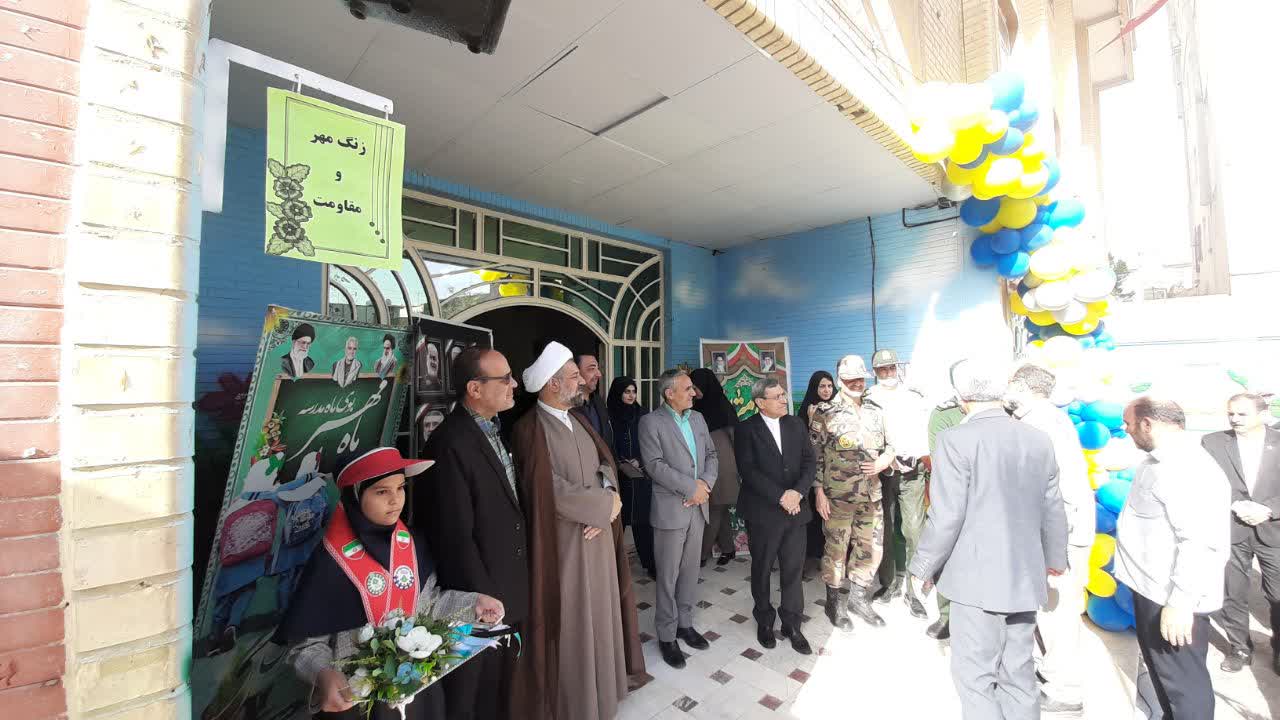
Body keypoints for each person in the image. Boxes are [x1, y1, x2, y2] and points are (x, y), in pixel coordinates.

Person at [276, 447, 505, 719]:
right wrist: (323, 672)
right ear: (355, 494)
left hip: (419, 692)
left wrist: (473, 604)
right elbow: (306, 646)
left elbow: (429, 605)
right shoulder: (330, 563)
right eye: (382, 491)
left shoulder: (412, 545)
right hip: (358, 704)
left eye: (400, 488)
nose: (395, 500)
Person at [909, 358, 1067, 720]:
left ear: (961, 396)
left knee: (976, 678)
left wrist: (922, 566)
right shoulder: (1037, 438)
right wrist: (1055, 559)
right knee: (1019, 674)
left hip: (976, 583)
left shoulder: (955, 439)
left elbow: (947, 514)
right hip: (1025, 577)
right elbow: (1053, 507)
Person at [509, 342, 644, 719]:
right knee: (575, 623)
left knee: (602, 616)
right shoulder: (529, 429)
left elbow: (605, 465)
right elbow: (545, 488)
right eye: (573, 376)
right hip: (566, 545)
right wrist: (600, 508)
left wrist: (608, 500)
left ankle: (608, 690)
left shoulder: (580, 419)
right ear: (553, 384)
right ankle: (581, 703)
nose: (582, 382)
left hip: (597, 536)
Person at [418, 348, 528, 720]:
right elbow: (455, 536)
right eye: (505, 378)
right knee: (473, 693)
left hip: (506, 586)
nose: (514, 384)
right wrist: (481, 599)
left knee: (500, 687)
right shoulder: (450, 443)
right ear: (474, 389)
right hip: (480, 599)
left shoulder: (493, 430)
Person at [1115, 397, 1230, 719]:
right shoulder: (1159, 462)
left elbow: (1200, 542)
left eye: (1128, 423)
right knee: (1166, 679)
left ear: (1147, 424)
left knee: (1183, 686)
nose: (1125, 429)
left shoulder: (1185, 467)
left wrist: (1180, 603)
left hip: (1173, 598)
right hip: (1155, 592)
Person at [1003, 364, 1094, 713]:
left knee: (1057, 612)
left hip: (1058, 535)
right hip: (1054, 531)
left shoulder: (1042, 425)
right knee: (1048, 611)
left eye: (1009, 384)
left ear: (1020, 386)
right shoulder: (1044, 418)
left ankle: (1065, 692)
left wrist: (1056, 549)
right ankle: (1051, 671)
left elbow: (1055, 490)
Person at [639, 369, 718, 669]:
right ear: (669, 393)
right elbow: (654, 465)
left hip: (698, 506)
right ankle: (666, 634)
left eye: (693, 388)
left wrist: (705, 485)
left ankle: (685, 623)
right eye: (687, 389)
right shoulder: (651, 422)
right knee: (668, 575)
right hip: (671, 508)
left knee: (689, 571)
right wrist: (690, 488)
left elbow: (711, 455)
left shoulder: (698, 419)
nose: (693, 393)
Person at [734, 376, 817, 654]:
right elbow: (748, 470)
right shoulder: (746, 429)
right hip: (764, 513)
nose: (784, 399)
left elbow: (809, 462)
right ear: (760, 402)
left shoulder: (796, 424)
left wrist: (798, 492)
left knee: (793, 569)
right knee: (762, 567)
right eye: (778, 396)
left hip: (796, 510)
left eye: (784, 394)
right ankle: (764, 619)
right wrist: (782, 496)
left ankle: (792, 623)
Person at [811, 354, 894, 629]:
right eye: (851, 380)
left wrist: (884, 460)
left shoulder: (876, 410)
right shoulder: (825, 413)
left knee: (870, 547)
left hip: (871, 494)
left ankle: (859, 599)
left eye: (860, 379)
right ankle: (834, 603)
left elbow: (891, 446)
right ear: (840, 380)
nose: (857, 384)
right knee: (836, 549)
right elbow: (814, 456)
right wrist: (818, 491)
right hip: (838, 497)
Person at [1203, 393, 1280, 675]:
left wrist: (1269, 510)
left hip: (1273, 531)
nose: (1235, 419)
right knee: (1232, 592)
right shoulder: (1212, 442)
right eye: (1231, 414)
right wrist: (1236, 505)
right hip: (1231, 528)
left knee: (1277, 594)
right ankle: (1239, 648)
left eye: (1242, 414)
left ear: (1262, 414)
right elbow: (1205, 482)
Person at [864, 349, 930, 619]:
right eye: (882, 369)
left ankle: (914, 593)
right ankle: (888, 583)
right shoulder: (868, 399)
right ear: (875, 372)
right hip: (883, 474)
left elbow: (924, 433)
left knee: (914, 531)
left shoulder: (914, 396)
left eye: (891, 367)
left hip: (912, 472)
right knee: (885, 530)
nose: (888, 373)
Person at [922, 388, 966, 640]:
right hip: (953, 497)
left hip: (991, 501)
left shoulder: (1005, 413)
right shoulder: (945, 414)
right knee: (947, 555)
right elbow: (941, 461)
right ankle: (947, 615)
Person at [691, 368, 741, 567]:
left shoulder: (722, 406)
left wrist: (740, 468)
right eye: (691, 388)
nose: (694, 392)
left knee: (714, 508)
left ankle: (701, 555)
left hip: (724, 464)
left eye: (696, 388)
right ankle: (728, 549)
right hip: (704, 463)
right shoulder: (696, 408)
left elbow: (736, 438)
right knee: (719, 507)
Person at [607, 376, 654, 578]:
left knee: (644, 522)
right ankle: (613, 569)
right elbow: (605, 443)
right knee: (618, 523)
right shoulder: (608, 415)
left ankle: (650, 564)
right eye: (627, 391)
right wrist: (618, 462)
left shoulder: (642, 414)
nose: (631, 395)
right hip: (618, 478)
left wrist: (639, 460)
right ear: (618, 393)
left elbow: (651, 442)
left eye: (633, 391)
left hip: (641, 476)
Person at [798, 371, 836, 574]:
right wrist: (812, 420)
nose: (826, 390)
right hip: (814, 472)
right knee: (814, 515)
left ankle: (836, 559)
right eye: (822, 386)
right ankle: (813, 557)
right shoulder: (806, 410)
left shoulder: (841, 409)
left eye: (829, 386)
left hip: (838, 474)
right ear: (814, 388)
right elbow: (805, 445)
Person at [574, 353, 614, 450]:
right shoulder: (567, 407)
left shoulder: (598, 401)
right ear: (576, 373)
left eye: (598, 369)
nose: (599, 374)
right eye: (592, 369)